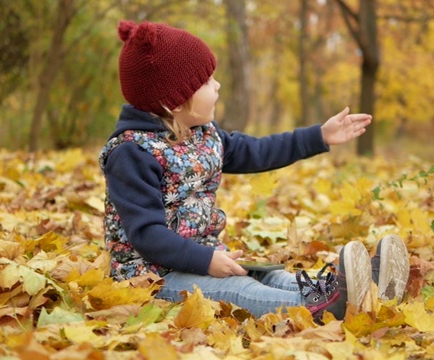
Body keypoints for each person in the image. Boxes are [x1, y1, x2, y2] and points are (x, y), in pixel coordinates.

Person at [99, 20, 410, 323]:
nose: (217, 84)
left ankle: (358, 289)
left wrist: (319, 136)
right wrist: (205, 261)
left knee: (269, 274)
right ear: (174, 101)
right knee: (241, 290)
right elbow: (147, 235)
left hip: (202, 257)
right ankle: (328, 308)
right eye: (206, 81)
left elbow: (258, 151)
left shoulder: (203, 134)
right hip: (151, 276)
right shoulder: (132, 153)